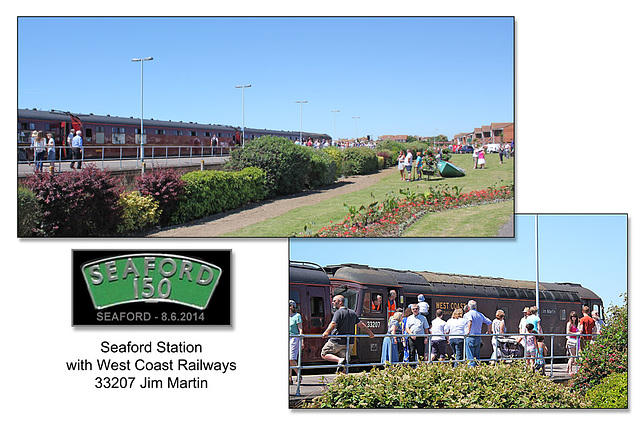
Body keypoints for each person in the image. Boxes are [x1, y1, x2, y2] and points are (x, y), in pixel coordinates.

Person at [321, 295, 375, 371]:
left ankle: (339, 360)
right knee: (345, 362)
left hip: (337, 341)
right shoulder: (352, 313)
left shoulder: (338, 312)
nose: (333, 303)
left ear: (340, 302)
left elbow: (333, 324)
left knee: (324, 354)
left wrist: (326, 332)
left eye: (334, 301)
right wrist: (370, 333)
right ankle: (342, 378)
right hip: (349, 342)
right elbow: (361, 325)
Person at [463, 300, 492, 367]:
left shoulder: (467, 314)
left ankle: (471, 371)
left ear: (468, 307)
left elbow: (470, 321)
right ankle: (477, 369)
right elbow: (489, 322)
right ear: (476, 306)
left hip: (470, 337)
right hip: (478, 337)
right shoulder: (480, 315)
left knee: (470, 357)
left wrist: (468, 332)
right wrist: (489, 331)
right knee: (477, 357)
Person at [289, 300, 303, 384]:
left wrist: (302, 340)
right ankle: (289, 378)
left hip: (294, 337)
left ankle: (298, 374)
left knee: (291, 358)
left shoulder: (297, 316)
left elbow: (300, 329)